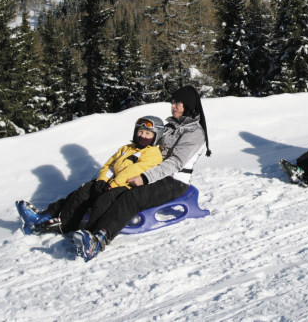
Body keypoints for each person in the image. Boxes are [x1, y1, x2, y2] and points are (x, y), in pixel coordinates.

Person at [71, 85, 209, 261]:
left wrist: (145, 178)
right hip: (151, 172)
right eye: (172, 103)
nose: (172, 106)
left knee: (132, 196)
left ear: (188, 105)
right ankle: (86, 229)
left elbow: (176, 162)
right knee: (115, 190)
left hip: (174, 181)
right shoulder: (169, 127)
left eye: (177, 103)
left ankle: (100, 239)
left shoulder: (194, 133)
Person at [16, 116, 165, 236]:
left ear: (155, 136)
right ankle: (50, 217)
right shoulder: (126, 149)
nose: (142, 136)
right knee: (84, 191)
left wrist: (112, 185)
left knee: (102, 201)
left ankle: (90, 233)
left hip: (127, 186)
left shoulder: (153, 154)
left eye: (147, 133)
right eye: (140, 132)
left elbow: (132, 171)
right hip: (109, 183)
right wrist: (102, 180)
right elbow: (110, 165)